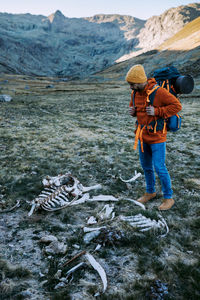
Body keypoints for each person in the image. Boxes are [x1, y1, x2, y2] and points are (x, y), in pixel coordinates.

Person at [126, 64, 182, 210]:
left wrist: (157, 111)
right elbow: (135, 109)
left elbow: (177, 106)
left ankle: (168, 198)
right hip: (142, 137)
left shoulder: (159, 92)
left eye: (132, 84)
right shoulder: (134, 93)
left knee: (159, 167)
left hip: (157, 138)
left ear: (140, 81)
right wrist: (133, 112)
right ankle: (150, 192)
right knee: (146, 167)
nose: (130, 87)